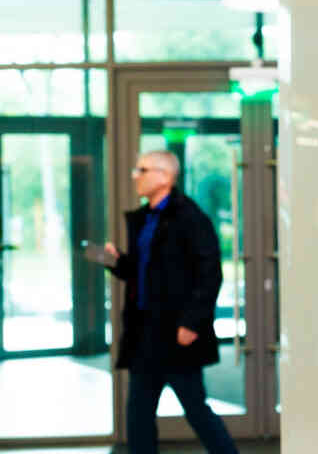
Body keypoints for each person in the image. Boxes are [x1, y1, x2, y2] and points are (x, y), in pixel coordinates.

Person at [105, 150, 238, 454]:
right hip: (144, 334)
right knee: (138, 413)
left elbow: (210, 274)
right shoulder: (144, 219)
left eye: (142, 170)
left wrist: (192, 323)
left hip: (176, 334)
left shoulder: (190, 218)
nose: (135, 176)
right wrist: (117, 262)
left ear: (165, 176)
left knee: (196, 409)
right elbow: (143, 272)